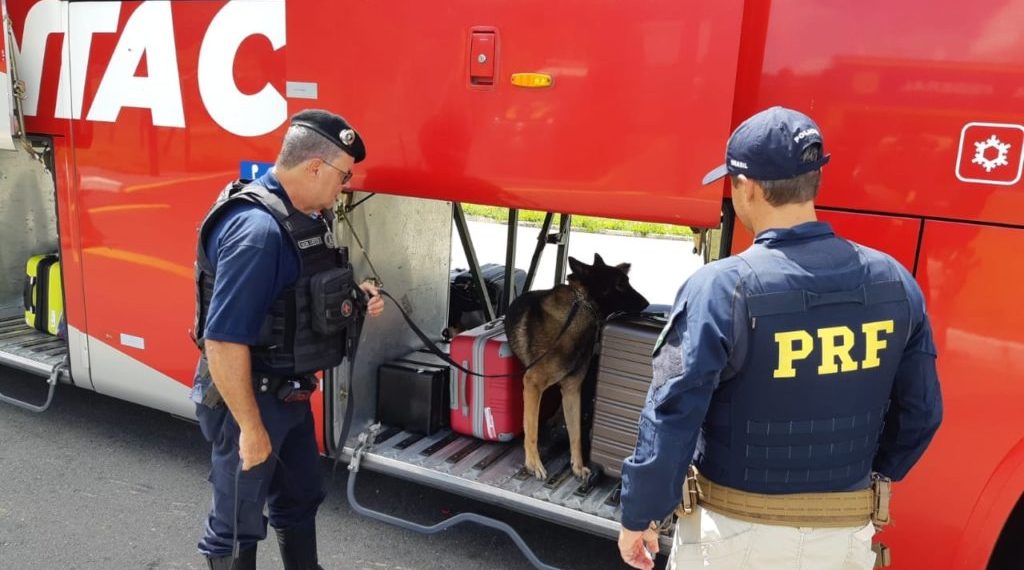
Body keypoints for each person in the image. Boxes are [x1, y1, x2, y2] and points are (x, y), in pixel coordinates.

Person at [617, 106, 943, 570]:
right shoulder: (895, 281)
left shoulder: (723, 288)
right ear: (814, 183)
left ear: (747, 187)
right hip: (847, 536)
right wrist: (871, 475)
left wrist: (640, 513)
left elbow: (672, 414)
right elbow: (922, 413)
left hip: (735, 534)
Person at [190, 109, 385, 570]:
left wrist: (354, 299)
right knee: (236, 522)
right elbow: (222, 340)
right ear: (314, 166)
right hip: (249, 399)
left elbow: (295, 297)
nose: (345, 185)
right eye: (343, 175)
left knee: (299, 495)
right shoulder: (257, 232)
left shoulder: (301, 216)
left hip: (290, 393)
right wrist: (252, 428)